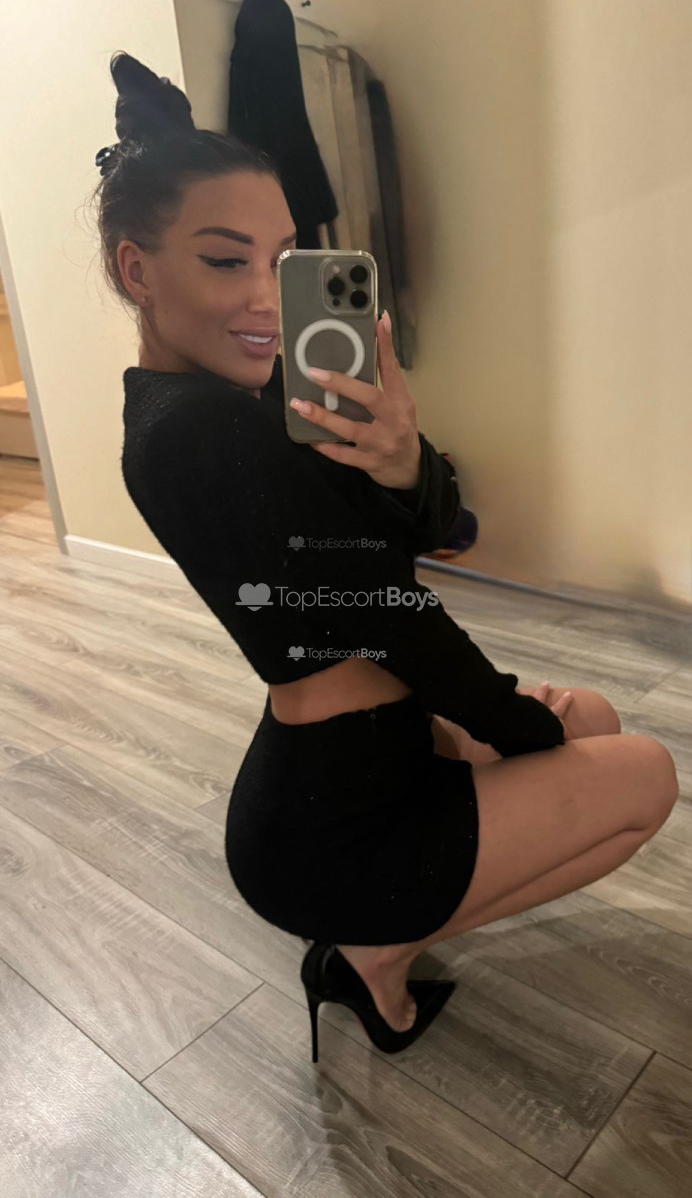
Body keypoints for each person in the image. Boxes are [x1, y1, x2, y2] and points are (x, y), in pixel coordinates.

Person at [95, 52, 678, 1052]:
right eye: (225, 261)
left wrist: (404, 458)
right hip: (335, 823)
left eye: (283, 259)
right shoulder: (198, 430)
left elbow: (427, 534)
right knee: (645, 776)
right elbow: (389, 608)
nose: (264, 297)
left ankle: (378, 939)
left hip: (356, 756)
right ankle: (374, 951)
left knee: (592, 720)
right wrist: (516, 727)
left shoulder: (240, 401)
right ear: (136, 270)